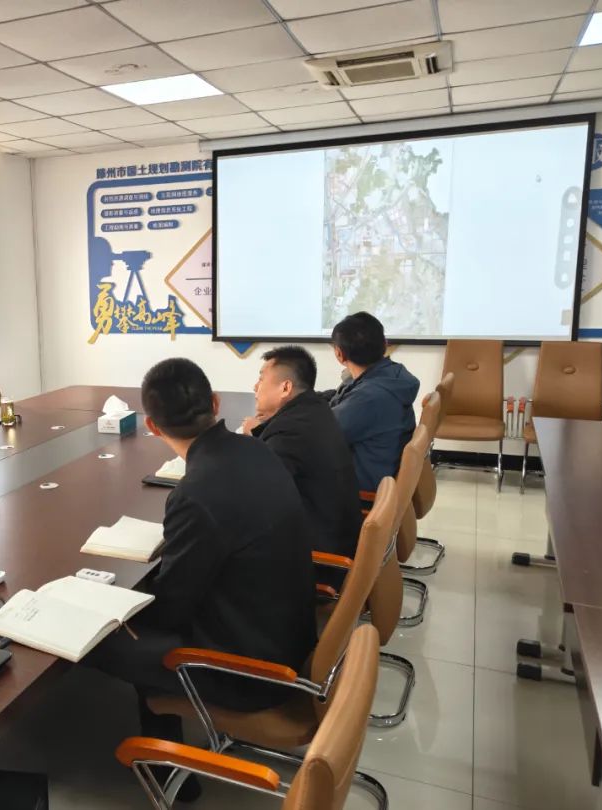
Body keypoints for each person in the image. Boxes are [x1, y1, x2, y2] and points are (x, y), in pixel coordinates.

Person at [84, 358, 316, 793]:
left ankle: (170, 769)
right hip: (294, 638)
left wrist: (109, 606)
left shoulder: (196, 492)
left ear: (152, 426)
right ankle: (172, 760)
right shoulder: (256, 448)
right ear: (214, 403)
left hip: (253, 672)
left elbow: (170, 611)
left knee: (101, 640)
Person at [242, 346, 362, 558]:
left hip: (319, 559)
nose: (255, 387)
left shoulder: (290, 433)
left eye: (261, 379)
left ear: (285, 388)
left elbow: (255, 497)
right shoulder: (314, 410)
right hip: (333, 535)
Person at [324, 312, 419, 493]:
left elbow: (320, 435)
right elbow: (339, 398)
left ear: (339, 354)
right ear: (385, 344)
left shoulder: (369, 397)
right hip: (379, 468)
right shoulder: (391, 374)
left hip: (360, 487)